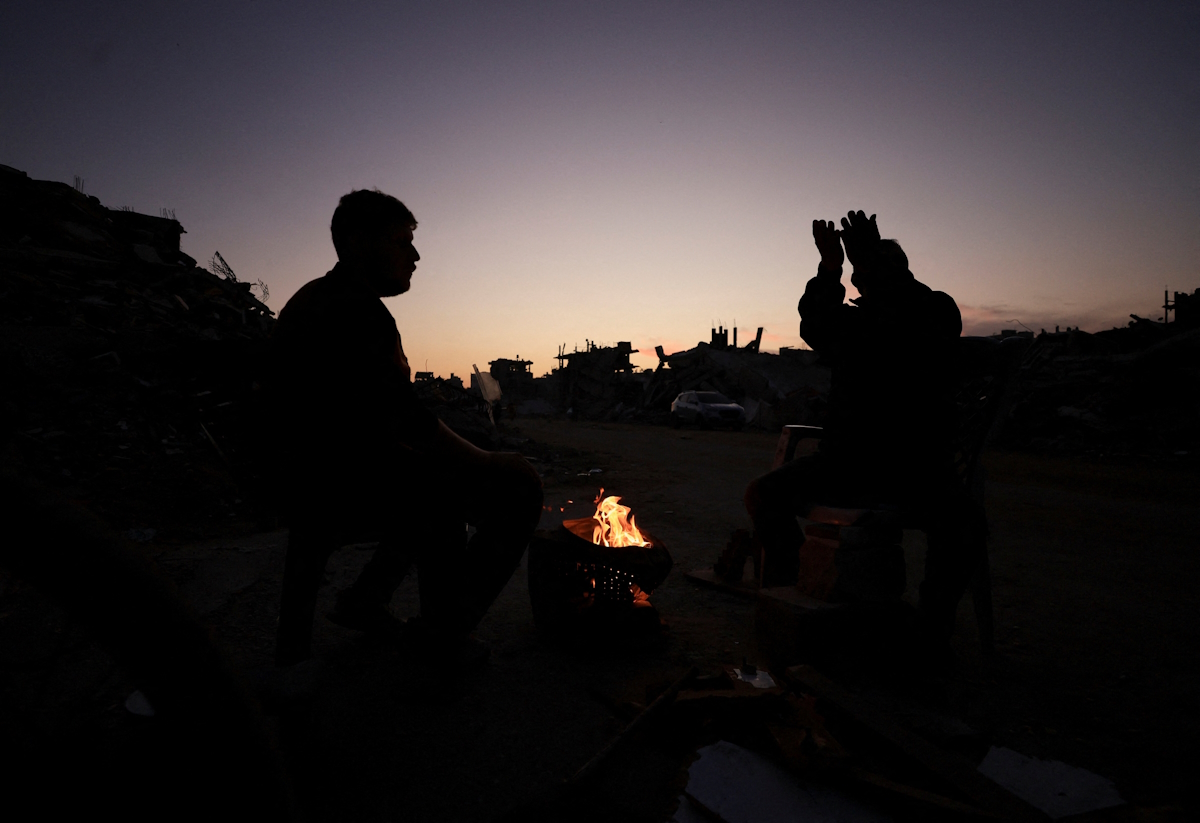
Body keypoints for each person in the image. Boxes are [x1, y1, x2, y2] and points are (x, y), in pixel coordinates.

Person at [268, 189, 543, 668]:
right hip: (326, 478)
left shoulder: (320, 298)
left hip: (305, 469)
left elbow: (379, 416)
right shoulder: (354, 310)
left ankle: (364, 600)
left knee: (428, 473)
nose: (414, 255)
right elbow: (404, 420)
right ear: (357, 243)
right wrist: (491, 460)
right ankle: (441, 637)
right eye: (402, 241)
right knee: (511, 489)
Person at [744, 210, 985, 645]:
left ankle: (931, 629)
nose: (870, 276)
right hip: (846, 466)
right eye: (868, 267)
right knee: (763, 494)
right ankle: (790, 591)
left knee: (963, 521)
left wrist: (868, 260)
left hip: (915, 470)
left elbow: (908, 324)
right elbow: (815, 324)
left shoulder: (932, 311)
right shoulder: (853, 325)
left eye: (878, 266)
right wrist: (830, 267)